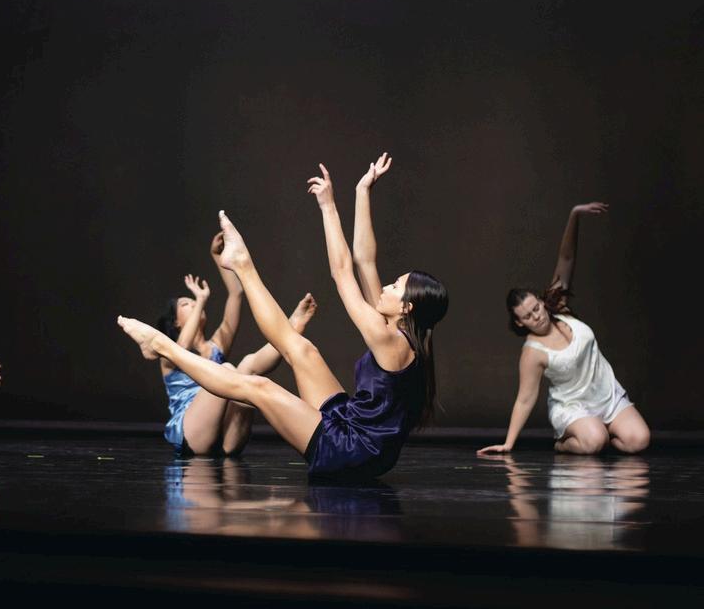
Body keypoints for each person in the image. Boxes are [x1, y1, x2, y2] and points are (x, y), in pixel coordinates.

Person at [119, 155, 447, 478]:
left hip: (350, 451)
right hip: (355, 429)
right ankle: (241, 264)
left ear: (407, 307)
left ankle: (162, 343)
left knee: (259, 387)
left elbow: (343, 271)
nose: (386, 287)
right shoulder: (401, 335)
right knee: (302, 349)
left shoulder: (387, 337)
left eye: (396, 286)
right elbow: (365, 260)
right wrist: (362, 192)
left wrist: (329, 208)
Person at [479, 202, 650, 456]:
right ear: (519, 323)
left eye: (536, 308)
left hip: (606, 396)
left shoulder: (559, 308)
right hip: (572, 406)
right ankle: (566, 442)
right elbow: (525, 399)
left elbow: (567, 258)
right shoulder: (532, 352)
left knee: (639, 441)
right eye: (527, 316)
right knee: (594, 442)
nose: (536, 317)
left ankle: (603, 431)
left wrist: (575, 215)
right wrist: (509, 443)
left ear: (541, 301)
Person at [156, 233, 317, 456]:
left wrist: (217, 256)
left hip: (226, 439)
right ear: (176, 322)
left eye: (194, 300)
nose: (193, 302)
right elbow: (181, 348)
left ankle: (291, 330)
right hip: (192, 434)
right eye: (186, 303)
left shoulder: (216, 346)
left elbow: (236, 294)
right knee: (228, 369)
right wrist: (201, 299)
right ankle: (289, 330)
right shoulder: (168, 353)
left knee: (248, 365)